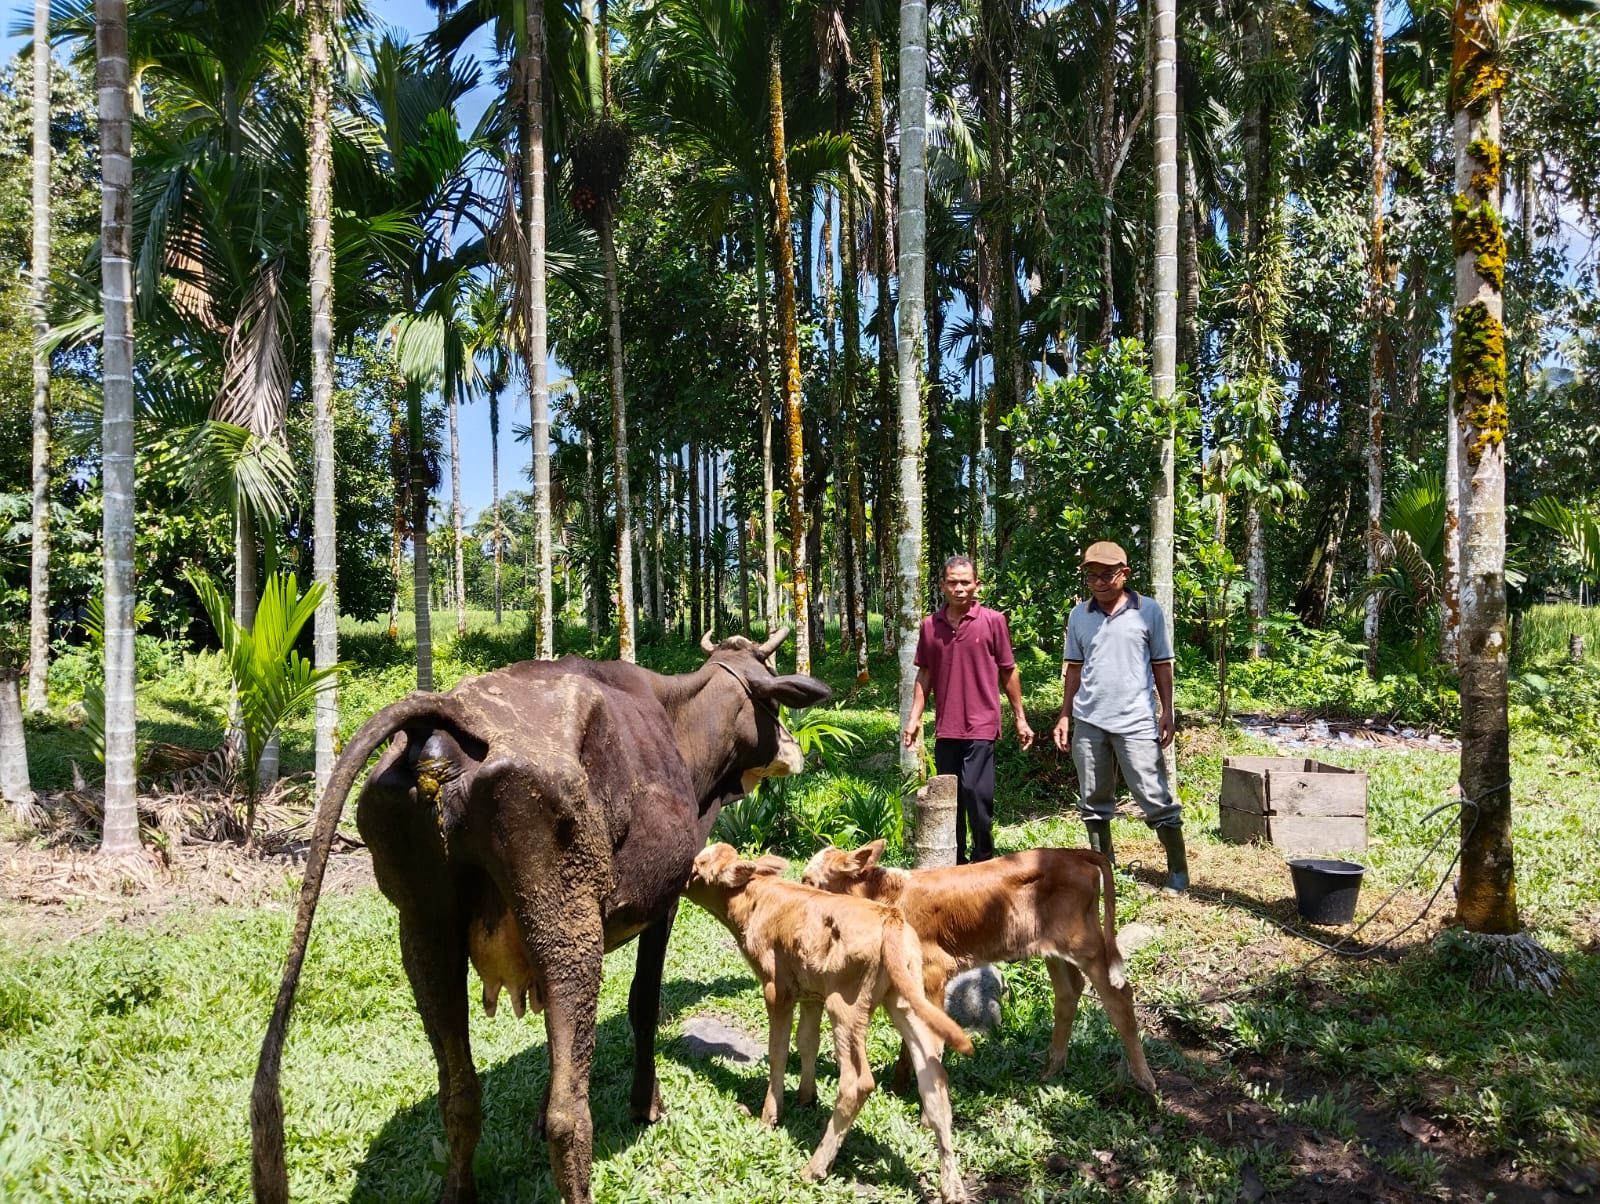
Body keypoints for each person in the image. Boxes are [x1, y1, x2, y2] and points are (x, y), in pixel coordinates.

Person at [1050, 541, 1189, 893]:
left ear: (1124, 574)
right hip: (1090, 721)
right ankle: (1104, 866)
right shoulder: (1079, 615)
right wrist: (1065, 714)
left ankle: (1177, 870)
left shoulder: (1148, 611)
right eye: (1091, 575)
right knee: (1093, 800)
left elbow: (1162, 664)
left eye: (1107, 575)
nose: (1098, 582)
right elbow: (1074, 669)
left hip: (1136, 721)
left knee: (1154, 796)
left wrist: (1167, 711)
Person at [902, 556, 1035, 863]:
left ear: (976, 585)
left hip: (982, 724)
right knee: (951, 798)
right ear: (942, 586)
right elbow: (925, 675)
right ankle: (956, 862)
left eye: (965, 582)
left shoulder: (992, 621)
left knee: (976, 793)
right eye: (952, 582)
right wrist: (914, 718)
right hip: (946, 727)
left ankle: (984, 858)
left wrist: (1020, 717)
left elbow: (1008, 671)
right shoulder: (929, 626)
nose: (959, 588)